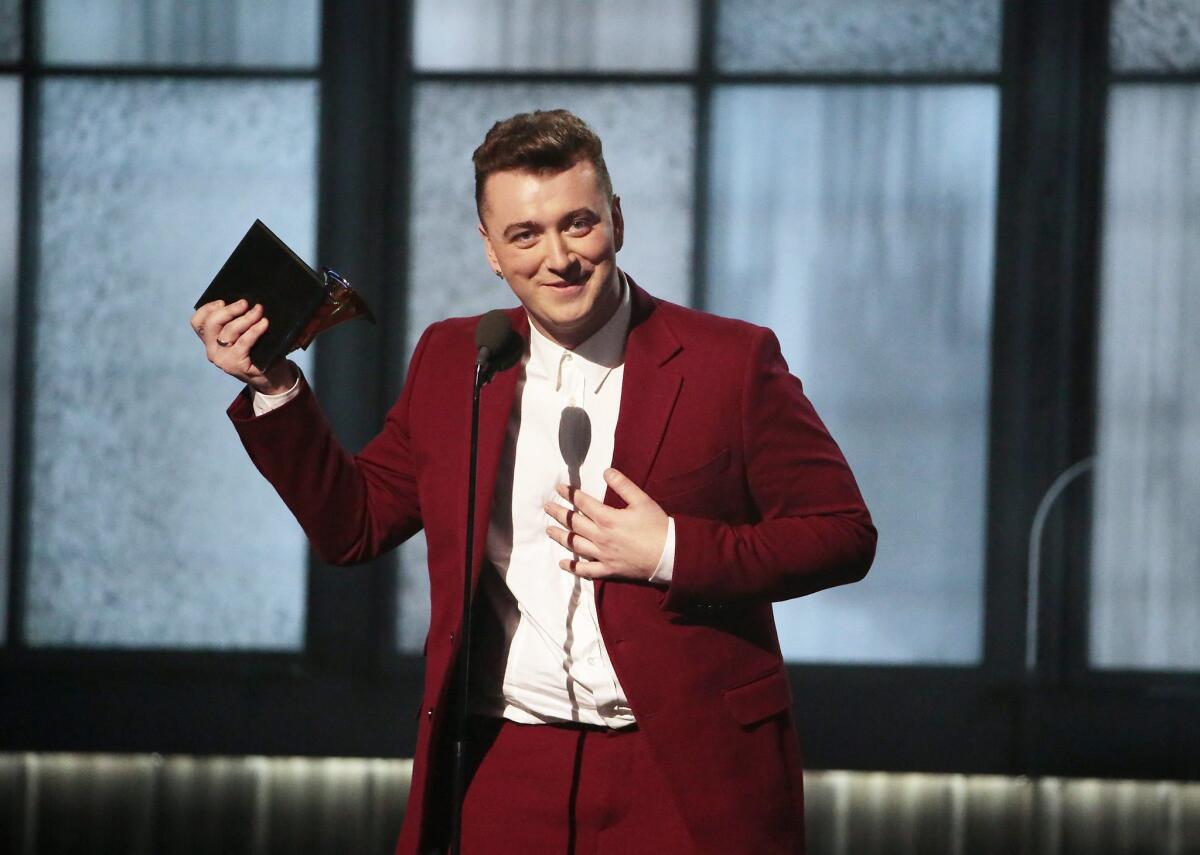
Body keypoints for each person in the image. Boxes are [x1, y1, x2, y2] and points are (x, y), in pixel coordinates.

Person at [191, 109, 876, 854]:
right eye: (525, 235)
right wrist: (275, 386)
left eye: (578, 224)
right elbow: (353, 525)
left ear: (616, 219)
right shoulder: (457, 358)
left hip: (684, 766)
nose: (559, 258)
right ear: (490, 250)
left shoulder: (731, 360)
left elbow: (843, 534)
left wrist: (672, 550)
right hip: (506, 762)